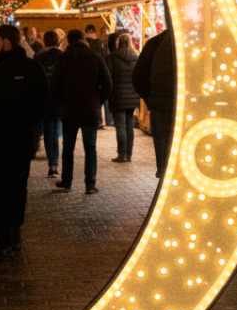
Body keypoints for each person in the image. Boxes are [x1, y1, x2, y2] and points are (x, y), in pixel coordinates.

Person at [0, 24, 49, 261]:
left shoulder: (31, 68)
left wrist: (26, 123)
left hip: (21, 141)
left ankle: (16, 227)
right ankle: (3, 240)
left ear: (8, 40)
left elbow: (43, 102)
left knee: (18, 187)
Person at [51, 28, 112, 194]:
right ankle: (90, 184)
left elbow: (54, 86)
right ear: (84, 40)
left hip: (69, 109)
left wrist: (60, 104)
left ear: (68, 41)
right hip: (90, 110)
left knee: (68, 147)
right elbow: (108, 84)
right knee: (90, 148)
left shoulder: (63, 59)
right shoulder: (95, 58)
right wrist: (98, 101)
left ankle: (66, 181)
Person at [132, 28, 175, 178]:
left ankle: (164, 177)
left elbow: (137, 77)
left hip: (160, 108)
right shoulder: (195, 43)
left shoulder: (154, 43)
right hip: (186, 107)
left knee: (164, 155)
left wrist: (151, 99)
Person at [34, 30, 64, 177]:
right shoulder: (63, 56)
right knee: (56, 130)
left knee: (48, 131)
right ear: (57, 41)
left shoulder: (39, 57)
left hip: (45, 100)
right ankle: (55, 162)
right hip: (59, 99)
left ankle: (52, 163)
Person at [107, 33, 140, 163]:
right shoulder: (137, 56)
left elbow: (108, 77)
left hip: (118, 96)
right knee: (129, 126)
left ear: (118, 42)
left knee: (120, 126)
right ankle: (129, 154)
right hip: (132, 96)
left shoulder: (112, 57)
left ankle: (122, 154)